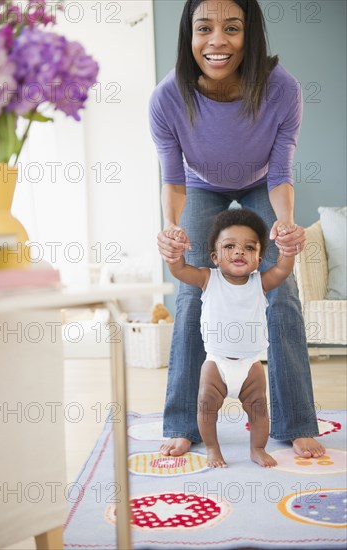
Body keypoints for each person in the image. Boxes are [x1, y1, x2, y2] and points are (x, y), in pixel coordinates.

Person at [149, 0, 325, 459]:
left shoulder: (281, 89)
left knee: (281, 294)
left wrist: (284, 224)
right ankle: (183, 422)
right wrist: (170, 228)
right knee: (190, 293)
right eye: (204, 28)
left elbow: (281, 169)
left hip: (260, 186)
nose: (217, 41)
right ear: (189, 35)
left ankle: (296, 422)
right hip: (198, 185)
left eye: (232, 28)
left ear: (250, 35)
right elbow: (171, 175)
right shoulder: (167, 97)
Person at [168, 208, 295, 468]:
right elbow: (179, 270)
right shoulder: (208, 278)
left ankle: (257, 448)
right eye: (230, 246)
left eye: (249, 247)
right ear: (215, 256)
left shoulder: (261, 282)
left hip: (250, 365)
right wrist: (174, 252)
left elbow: (282, 270)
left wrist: (288, 251)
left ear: (259, 259)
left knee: (259, 408)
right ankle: (213, 449)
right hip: (216, 363)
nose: (239, 252)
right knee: (206, 405)